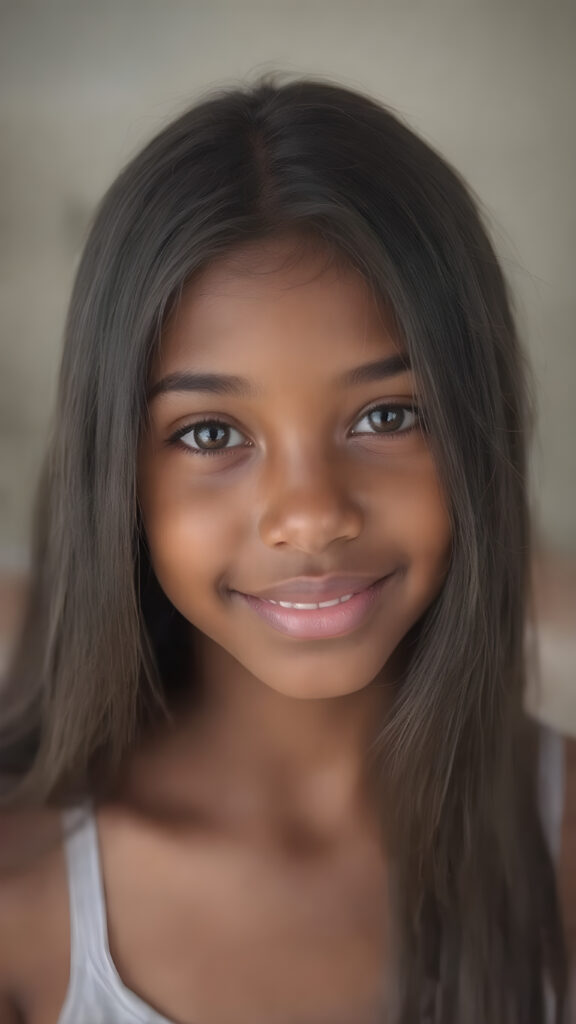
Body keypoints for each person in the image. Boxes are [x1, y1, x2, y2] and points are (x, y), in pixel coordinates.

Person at [0, 72, 570, 1024]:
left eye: (389, 415)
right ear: (118, 475)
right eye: (212, 434)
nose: (309, 516)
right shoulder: (22, 899)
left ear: (480, 433)